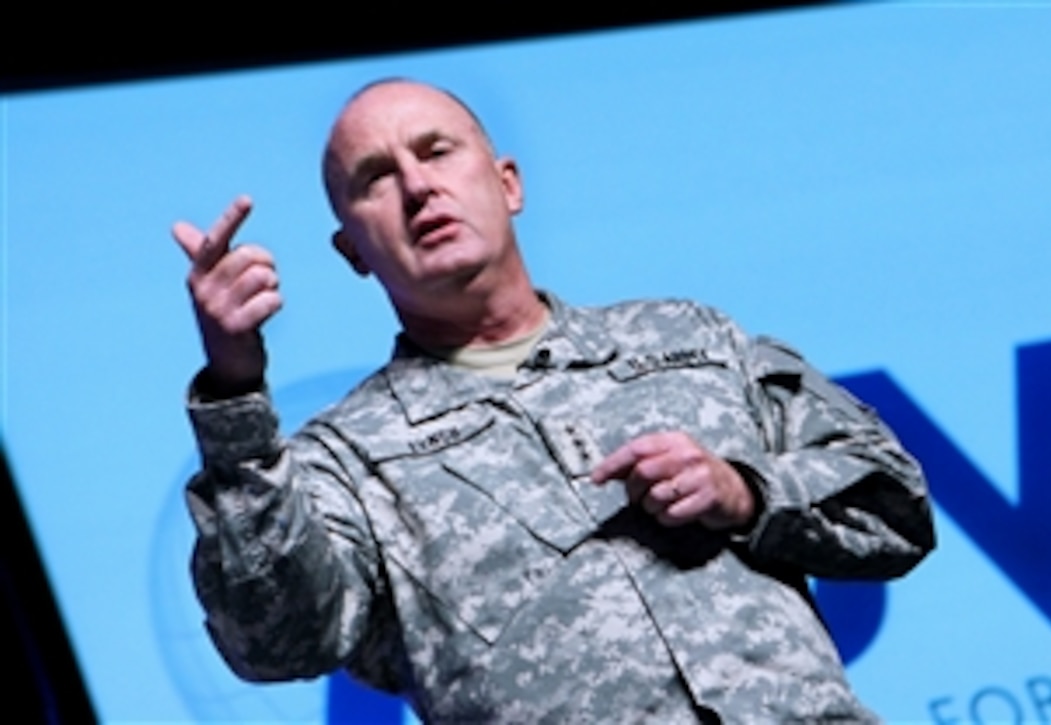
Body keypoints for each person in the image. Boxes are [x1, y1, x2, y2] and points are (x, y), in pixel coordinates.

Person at [174, 79, 935, 723]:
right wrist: (236, 391)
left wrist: (745, 491)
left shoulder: (689, 337)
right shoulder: (346, 461)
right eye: (376, 177)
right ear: (352, 252)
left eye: (437, 150)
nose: (417, 186)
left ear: (508, 182)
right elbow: (275, 641)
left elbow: (896, 503)